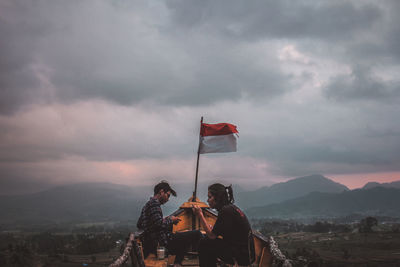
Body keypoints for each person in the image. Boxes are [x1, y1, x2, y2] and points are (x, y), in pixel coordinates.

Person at [137, 180, 202, 266]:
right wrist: (171, 220)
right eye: (168, 195)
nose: (168, 199)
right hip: (161, 242)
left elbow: (140, 224)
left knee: (182, 236)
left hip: (155, 241)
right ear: (161, 192)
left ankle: (177, 263)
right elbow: (158, 224)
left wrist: (166, 219)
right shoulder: (154, 204)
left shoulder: (148, 205)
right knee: (196, 233)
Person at [192, 183, 255, 267]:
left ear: (217, 198)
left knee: (204, 243)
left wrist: (200, 215)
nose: (207, 200)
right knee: (209, 243)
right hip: (246, 253)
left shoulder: (225, 211)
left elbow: (212, 236)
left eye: (209, 197)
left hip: (241, 255)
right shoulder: (230, 208)